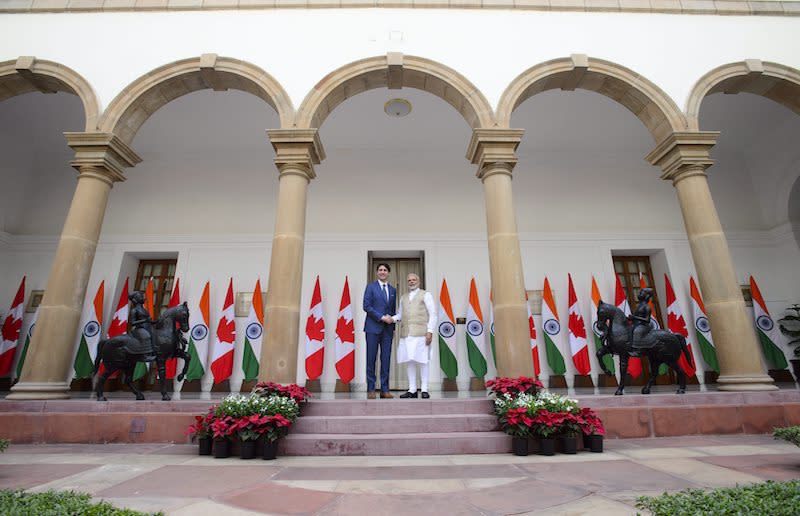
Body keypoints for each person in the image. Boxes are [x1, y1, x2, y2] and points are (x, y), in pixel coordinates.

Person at [393, 273, 436, 399]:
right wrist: (391, 318)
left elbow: (433, 314)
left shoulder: (426, 294)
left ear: (419, 281)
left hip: (421, 333)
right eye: (409, 280)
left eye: (414, 280)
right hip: (406, 334)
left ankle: (424, 389)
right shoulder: (403, 297)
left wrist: (430, 331)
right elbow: (399, 315)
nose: (411, 282)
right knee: (409, 361)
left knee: (423, 361)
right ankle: (412, 390)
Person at [363, 263, 396, 399]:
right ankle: (371, 389)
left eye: (385, 270)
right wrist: (381, 317)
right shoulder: (370, 287)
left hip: (387, 330)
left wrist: (392, 324)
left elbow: (393, 310)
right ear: (377, 273)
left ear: (388, 273)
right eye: (380, 270)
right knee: (371, 359)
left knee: (386, 359)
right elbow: (366, 306)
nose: (382, 272)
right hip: (372, 328)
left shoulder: (393, 290)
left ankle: (384, 389)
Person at [129, 291, 158, 361]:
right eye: (140, 296)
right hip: (139, 328)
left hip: (147, 327)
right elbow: (132, 323)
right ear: (135, 299)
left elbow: (149, 320)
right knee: (146, 336)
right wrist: (144, 321)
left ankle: (154, 352)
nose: (143, 298)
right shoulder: (134, 310)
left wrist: (156, 321)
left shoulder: (144, 310)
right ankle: (144, 355)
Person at [629, 288, 655, 352]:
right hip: (636, 324)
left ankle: (637, 349)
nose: (639, 294)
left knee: (637, 331)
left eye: (642, 292)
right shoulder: (639, 306)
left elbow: (647, 319)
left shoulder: (647, 307)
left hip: (643, 325)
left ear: (647, 296)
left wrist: (634, 317)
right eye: (640, 292)